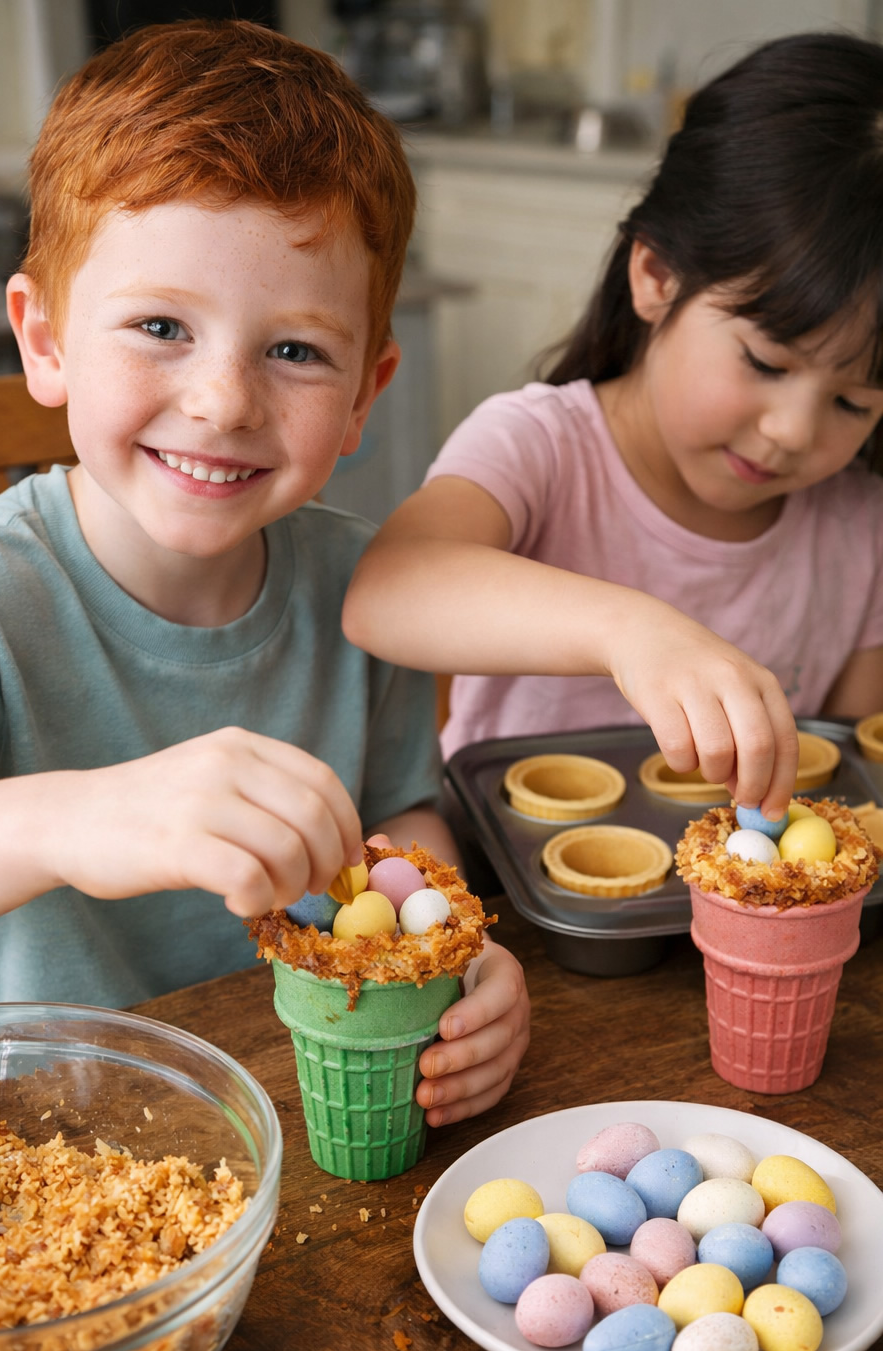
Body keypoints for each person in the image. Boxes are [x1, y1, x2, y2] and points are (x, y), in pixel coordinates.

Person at [0, 21, 528, 1129]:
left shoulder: (369, 592)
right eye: (161, 325)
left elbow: (401, 810)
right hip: (50, 1152)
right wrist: (70, 819)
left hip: (311, 1113)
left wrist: (447, 953)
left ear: (367, 389)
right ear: (46, 340)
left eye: (296, 350)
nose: (223, 401)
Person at [344, 31, 883, 818]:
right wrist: (631, 632)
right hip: (513, 912)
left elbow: (845, 782)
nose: (796, 431)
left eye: (854, 403)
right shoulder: (541, 448)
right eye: (766, 363)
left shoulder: (859, 529)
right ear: (656, 277)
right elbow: (384, 592)